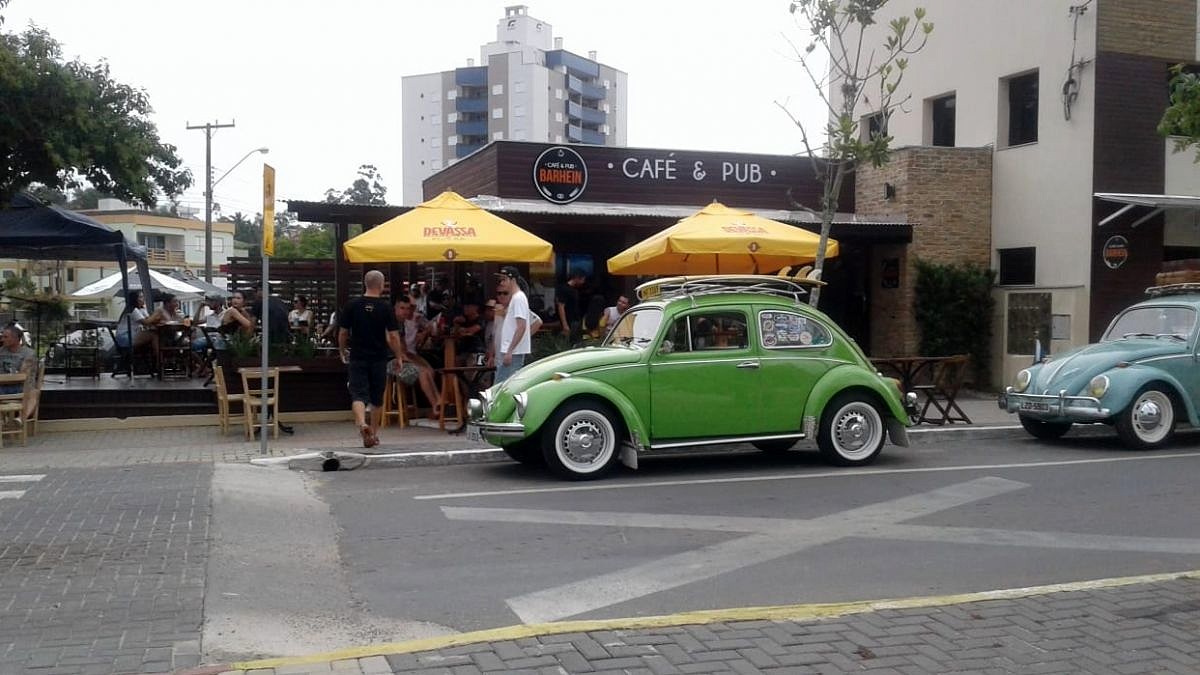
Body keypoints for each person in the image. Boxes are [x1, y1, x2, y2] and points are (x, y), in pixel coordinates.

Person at [338, 270, 407, 449]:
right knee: (376, 398)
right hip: (379, 358)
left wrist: (342, 350)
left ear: (365, 284)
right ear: (381, 285)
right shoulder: (385, 308)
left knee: (358, 394)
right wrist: (399, 356)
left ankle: (362, 424)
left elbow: (343, 332)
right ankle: (374, 435)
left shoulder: (352, 305)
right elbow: (393, 336)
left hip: (358, 356)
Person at [391, 294, 441, 415]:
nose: (406, 312)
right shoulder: (390, 322)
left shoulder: (401, 323)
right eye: (402, 308)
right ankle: (435, 406)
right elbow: (397, 350)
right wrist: (411, 360)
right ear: (395, 308)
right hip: (389, 362)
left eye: (408, 309)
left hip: (404, 356)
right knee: (422, 372)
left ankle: (439, 401)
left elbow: (404, 349)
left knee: (428, 370)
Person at [494, 265, 532, 383]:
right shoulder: (516, 298)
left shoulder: (518, 298)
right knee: (503, 386)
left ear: (513, 280)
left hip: (514, 352)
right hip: (511, 351)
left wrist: (510, 351)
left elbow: (521, 326)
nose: (502, 283)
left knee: (501, 387)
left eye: (504, 279)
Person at [0, 324, 37, 425]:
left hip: (21, 387)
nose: (2, 339)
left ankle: (20, 419)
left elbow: (22, 376)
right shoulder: (1, 352)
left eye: (5, 337)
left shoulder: (28, 353)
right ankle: (3, 420)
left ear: (16, 338)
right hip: (3, 386)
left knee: (33, 394)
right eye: (2, 336)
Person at [556, 269, 586, 344]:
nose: (583, 282)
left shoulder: (574, 290)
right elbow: (561, 306)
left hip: (575, 320)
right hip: (569, 321)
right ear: (577, 278)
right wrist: (565, 324)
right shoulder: (564, 289)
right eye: (582, 279)